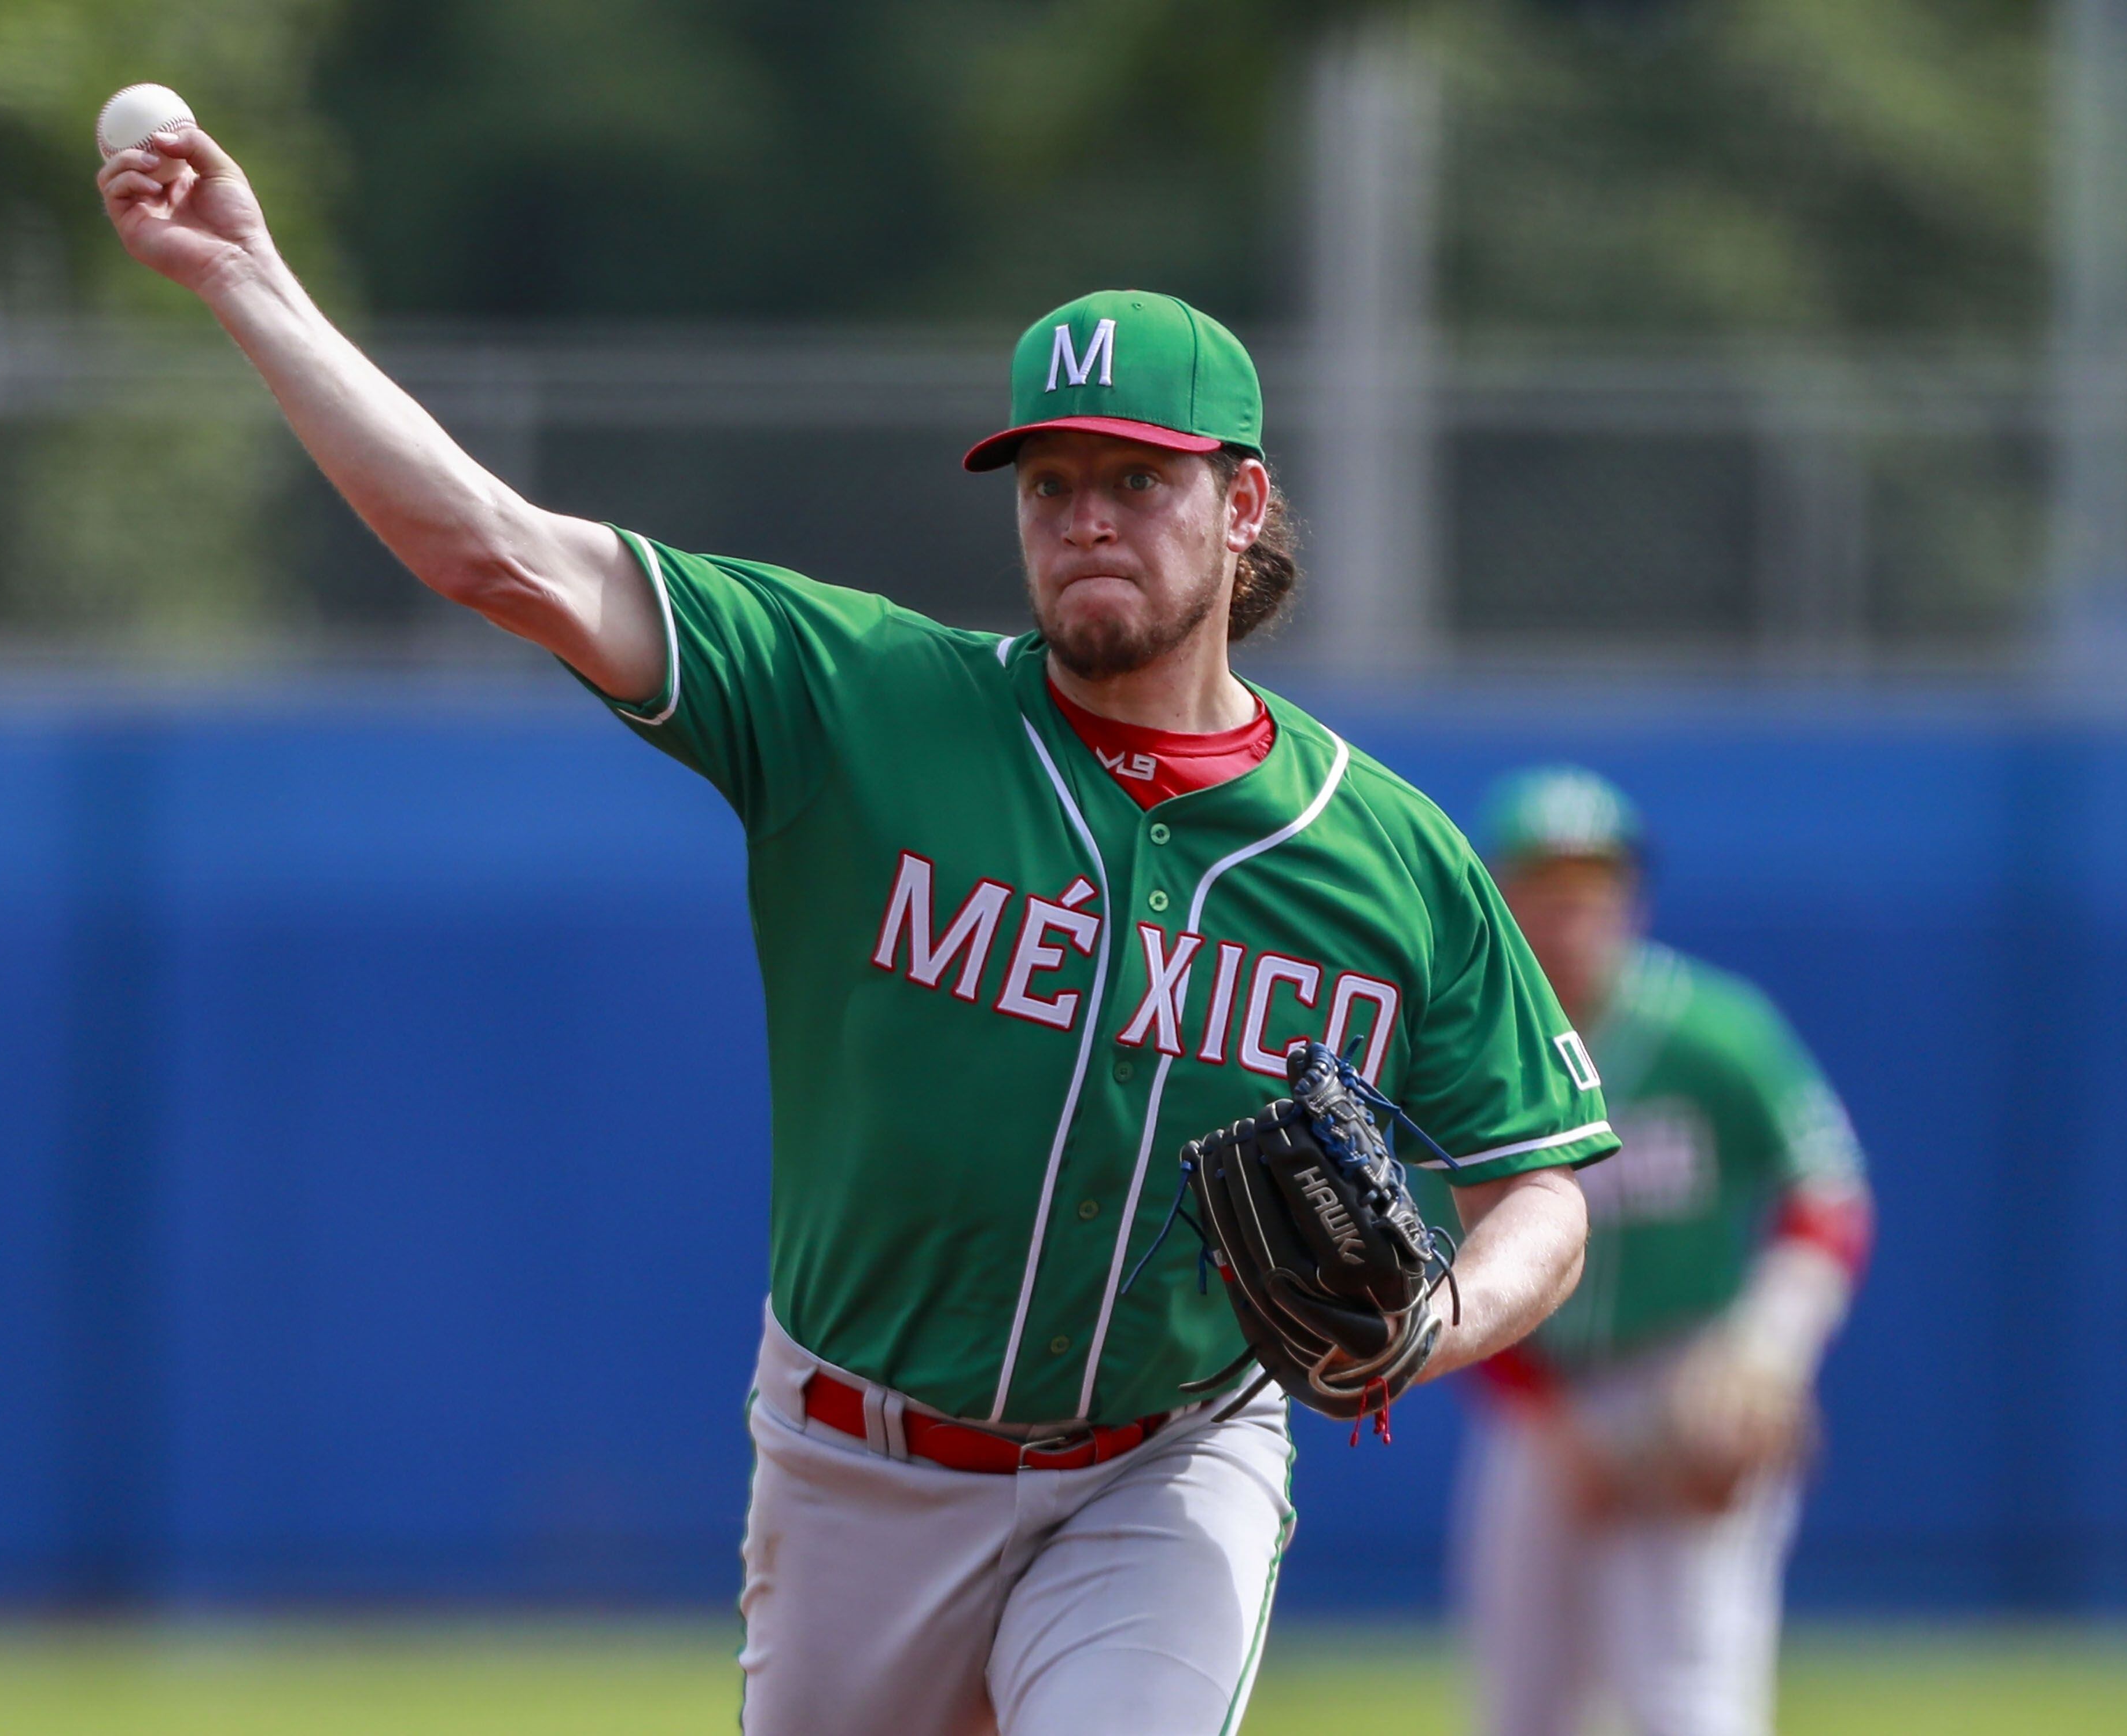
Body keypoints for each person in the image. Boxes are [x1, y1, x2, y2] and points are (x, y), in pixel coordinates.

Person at [98, 123, 1614, 1736]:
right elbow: (494, 548)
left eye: (1137, 480)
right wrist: (246, 280)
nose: (1086, 519)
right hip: (858, 1466)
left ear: (1241, 504)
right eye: (1051, 485)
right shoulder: (858, 702)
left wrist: (1438, 1317)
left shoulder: (1386, 857)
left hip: (1166, 1463)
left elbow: (1543, 1179)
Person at [1457, 766, 1875, 1736]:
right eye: (1545, 885)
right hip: (1537, 1396)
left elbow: (1828, 1195)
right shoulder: (1474, 1055)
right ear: (1500, 898)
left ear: (1629, 896)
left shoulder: (1715, 1032)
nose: (1571, 909)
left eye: (1592, 884)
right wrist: (1553, 1426)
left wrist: (1765, 1351)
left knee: (1687, 1700)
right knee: (1521, 1706)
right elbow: (1453, 1262)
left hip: (1690, 1378)